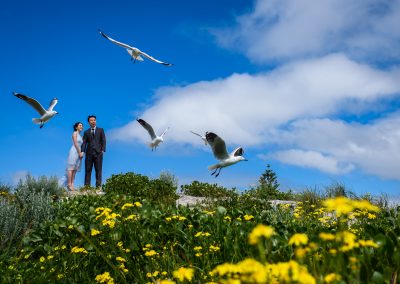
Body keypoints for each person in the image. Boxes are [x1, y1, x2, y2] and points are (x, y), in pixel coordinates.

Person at [81, 115, 106, 189]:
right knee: (88, 170)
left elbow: (103, 140)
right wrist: (82, 151)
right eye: (91, 120)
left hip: (98, 153)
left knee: (98, 170)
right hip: (89, 154)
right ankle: (86, 186)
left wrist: (103, 149)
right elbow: (84, 143)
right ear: (89, 122)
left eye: (94, 120)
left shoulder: (101, 130)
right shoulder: (86, 132)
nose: (93, 121)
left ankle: (98, 186)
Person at [66, 122, 84, 191]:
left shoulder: (81, 136)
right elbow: (76, 143)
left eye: (82, 126)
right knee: (71, 168)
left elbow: (82, 145)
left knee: (75, 169)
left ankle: (73, 184)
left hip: (79, 152)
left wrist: (82, 152)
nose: (81, 126)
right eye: (80, 125)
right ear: (76, 127)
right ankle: (69, 184)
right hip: (74, 151)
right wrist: (79, 152)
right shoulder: (75, 133)